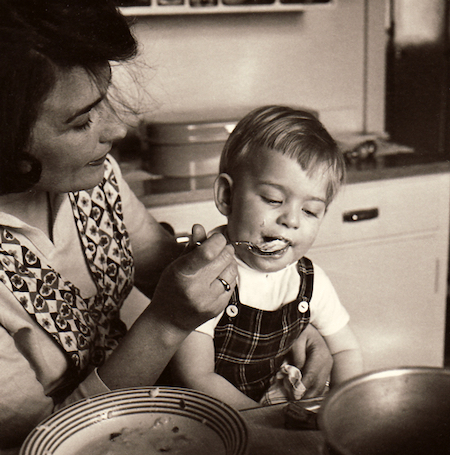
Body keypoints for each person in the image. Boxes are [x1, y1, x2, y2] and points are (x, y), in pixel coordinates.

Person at [0, 2, 332, 451]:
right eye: (81, 122)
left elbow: (168, 269)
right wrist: (166, 323)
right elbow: (46, 442)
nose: (116, 128)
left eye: (106, 101)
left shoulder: (93, 180)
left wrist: (284, 323)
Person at [171, 106, 363, 410]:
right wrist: (264, 426)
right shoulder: (206, 274)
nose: (292, 220)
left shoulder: (310, 282)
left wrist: (344, 411)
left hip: (265, 404)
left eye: (310, 211)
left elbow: (345, 351)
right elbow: (196, 375)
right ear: (226, 196)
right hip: (206, 414)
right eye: (274, 200)